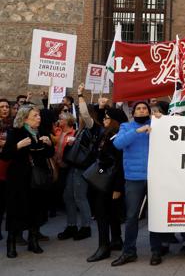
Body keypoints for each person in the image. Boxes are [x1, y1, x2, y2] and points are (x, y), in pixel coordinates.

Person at [111, 101, 169, 266]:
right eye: (139, 108)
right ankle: (129, 251)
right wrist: (137, 131)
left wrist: (162, 119)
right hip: (134, 178)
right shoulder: (126, 126)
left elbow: (174, 128)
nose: (142, 111)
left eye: (145, 108)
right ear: (134, 111)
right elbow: (118, 144)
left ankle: (156, 251)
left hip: (155, 178)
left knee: (155, 216)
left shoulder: (157, 124)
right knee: (131, 217)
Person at [3, 104, 54, 258]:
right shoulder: (16, 132)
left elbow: (49, 153)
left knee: (35, 208)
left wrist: (49, 144)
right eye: (35, 116)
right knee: (16, 210)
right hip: (19, 178)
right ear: (25, 119)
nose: (39, 118)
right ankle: (11, 243)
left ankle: (33, 240)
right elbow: (5, 155)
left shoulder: (42, 132)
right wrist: (18, 146)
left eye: (38, 115)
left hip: (37, 177)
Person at [57, 84, 103, 241]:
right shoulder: (81, 130)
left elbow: (84, 112)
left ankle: (85, 227)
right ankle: (71, 225)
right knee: (68, 196)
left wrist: (80, 95)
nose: (79, 117)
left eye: (83, 115)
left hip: (82, 168)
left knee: (79, 197)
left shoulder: (93, 127)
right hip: (73, 166)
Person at [87, 106, 127, 262]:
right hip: (103, 180)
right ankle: (116, 240)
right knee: (109, 212)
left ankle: (103, 246)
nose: (104, 120)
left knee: (103, 214)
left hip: (109, 181)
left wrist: (117, 187)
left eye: (107, 118)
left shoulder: (117, 138)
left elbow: (119, 164)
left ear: (115, 121)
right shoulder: (105, 134)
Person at [0, 98, 12, 241]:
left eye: (6, 106)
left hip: (10, 167)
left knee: (6, 203)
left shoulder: (13, 124)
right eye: (2, 106)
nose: (5, 109)